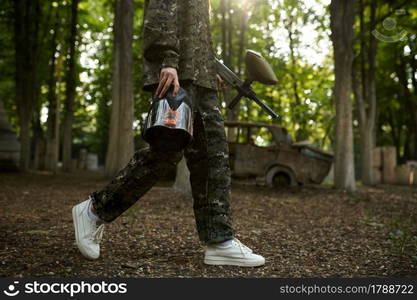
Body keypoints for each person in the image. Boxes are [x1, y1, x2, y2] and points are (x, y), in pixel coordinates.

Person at [72, 0, 265, 267]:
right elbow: (161, 13)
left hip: (199, 77)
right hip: (177, 75)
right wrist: (168, 60)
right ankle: (94, 210)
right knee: (165, 153)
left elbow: (194, 31)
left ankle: (219, 240)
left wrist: (210, 69)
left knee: (213, 155)